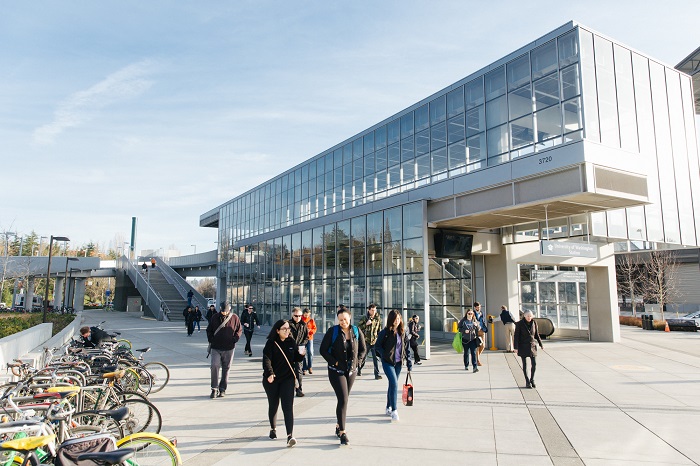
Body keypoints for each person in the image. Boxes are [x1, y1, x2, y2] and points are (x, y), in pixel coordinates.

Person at [320, 308, 367, 446]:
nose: (343, 322)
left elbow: (363, 349)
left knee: (344, 400)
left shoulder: (356, 331)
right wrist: (334, 362)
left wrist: (358, 362)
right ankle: (343, 432)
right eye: (340, 320)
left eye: (345, 319)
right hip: (336, 371)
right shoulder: (333, 331)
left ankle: (338, 425)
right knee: (343, 399)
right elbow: (322, 350)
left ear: (350, 318)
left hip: (351, 371)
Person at [262, 319, 306, 448]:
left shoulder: (291, 342)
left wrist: (301, 355)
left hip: (287, 379)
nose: (287, 331)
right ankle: (273, 428)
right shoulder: (271, 343)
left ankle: (289, 435)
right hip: (273, 379)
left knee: (288, 407)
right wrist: (270, 373)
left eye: (288, 329)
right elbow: (266, 359)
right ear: (277, 330)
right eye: (284, 329)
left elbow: (295, 359)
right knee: (274, 404)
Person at [375, 310, 412, 422]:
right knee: (394, 383)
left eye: (399, 319)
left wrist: (409, 363)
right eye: (395, 319)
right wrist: (383, 355)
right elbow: (377, 346)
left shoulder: (403, 332)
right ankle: (394, 410)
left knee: (392, 384)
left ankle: (388, 407)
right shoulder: (385, 332)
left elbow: (407, 349)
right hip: (387, 362)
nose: (397, 321)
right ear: (391, 320)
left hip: (398, 363)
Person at [206, 301, 243, 398]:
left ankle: (222, 389)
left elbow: (239, 330)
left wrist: (234, 339)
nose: (224, 313)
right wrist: (211, 339)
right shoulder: (214, 317)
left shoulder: (235, 318)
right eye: (223, 311)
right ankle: (214, 388)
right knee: (214, 365)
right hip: (216, 347)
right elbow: (209, 330)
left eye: (226, 311)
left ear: (229, 310)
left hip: (229, 348)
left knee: (226, 368)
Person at [514, 310, 543, 389]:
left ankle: (532, 379)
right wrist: (515, 347)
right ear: (524, 316)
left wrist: (541, 344)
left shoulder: (534, 323)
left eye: (530, 316)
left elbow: (536, 334)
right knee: (525, 364)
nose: (529, 318)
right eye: (528, 316)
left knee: (534, 363)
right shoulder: (519, 324)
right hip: (523, 346)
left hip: (532, 346)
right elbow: (516, 336)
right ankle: (527, 381)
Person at [288, 307, 309, 397]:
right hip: (289, 350)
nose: (298, 317)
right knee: (289, 370)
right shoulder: (288, 324)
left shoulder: (303, 325)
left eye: (300, 316)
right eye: (296, 316)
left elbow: (306, 337)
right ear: (292, 315)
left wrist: (302, 345)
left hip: (299, 351)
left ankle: (299, 389)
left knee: (298, 370)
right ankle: (288, 388)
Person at [358, 304, 382, 379]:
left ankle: (377, 374)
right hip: (366, 341)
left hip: (374, 341)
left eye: (375, 310)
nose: (374, 312)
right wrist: (366, 324)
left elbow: (379, 329)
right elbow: (358, 328)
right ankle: (358, 369)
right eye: (372, 310)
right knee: (363, 357)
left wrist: (380, 339)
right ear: (369, 310)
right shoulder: (364, 318)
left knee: (376, 358)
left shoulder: (377, 318)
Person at [301, 308, 316, 375]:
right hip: (302, 339)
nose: (306, 316)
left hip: (310, 338)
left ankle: (310, 366)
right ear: (303, 314)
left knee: (310, 352)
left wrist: (311, 331)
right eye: (305, 315)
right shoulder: (300, 320)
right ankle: (304, 368)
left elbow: (314, 328)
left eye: (307, 315)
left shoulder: (311, 320)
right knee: (302, 353)